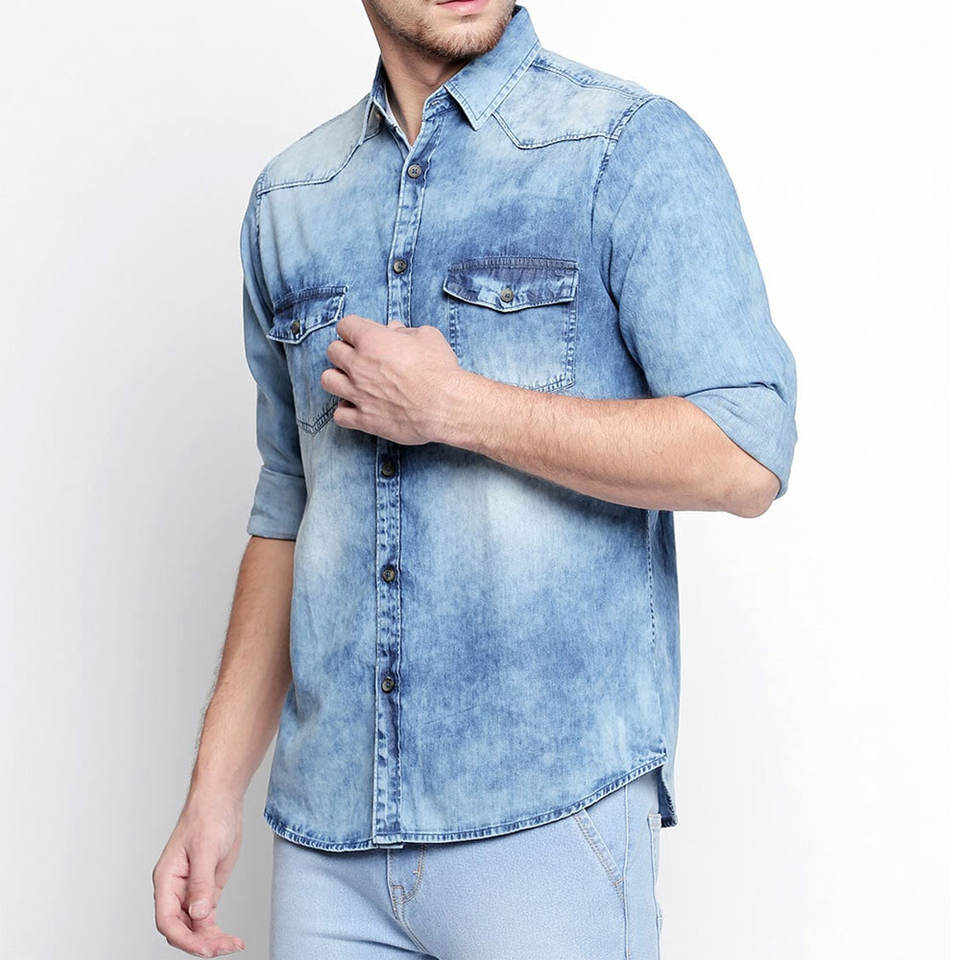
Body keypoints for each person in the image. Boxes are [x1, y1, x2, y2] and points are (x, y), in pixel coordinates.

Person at [152, 2, 798, 957]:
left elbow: (747, 454)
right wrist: (213, 790)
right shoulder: (290, 200)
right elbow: (289, 510)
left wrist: (457, 408)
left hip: (548, 819)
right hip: (329, 843)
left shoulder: (624, 148)